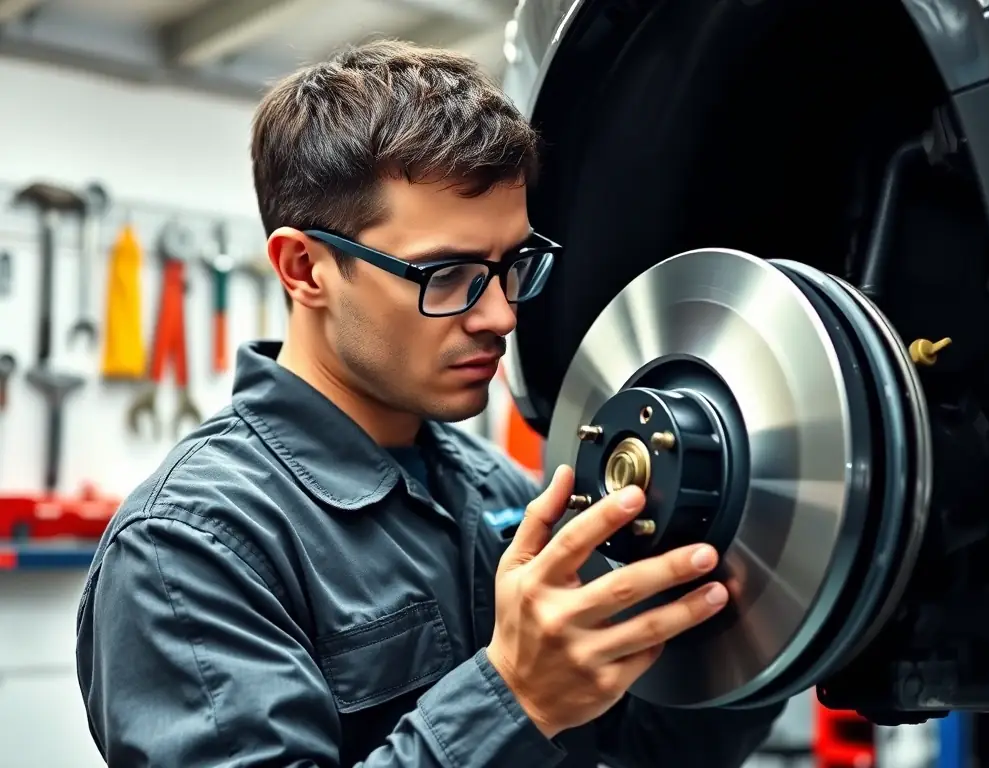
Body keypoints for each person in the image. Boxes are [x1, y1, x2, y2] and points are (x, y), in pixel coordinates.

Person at [75, 40, 786, 767]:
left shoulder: (497, 491)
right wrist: (515, 697)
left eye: (513, 265)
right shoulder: (188, 547)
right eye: (446, 274)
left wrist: (772, 612)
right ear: (305, 269)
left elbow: (648, 747)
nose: (501, 316)